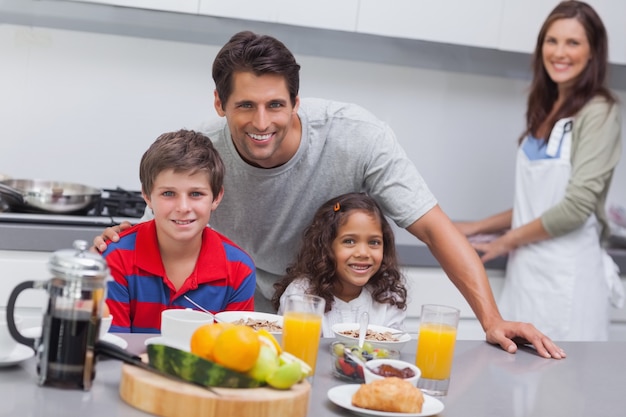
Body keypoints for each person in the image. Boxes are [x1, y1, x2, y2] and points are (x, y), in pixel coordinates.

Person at [95, 31, 565, 358]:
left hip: (315, 311)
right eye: (245, 106)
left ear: (297, 102)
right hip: (237, 310)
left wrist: (492, 320)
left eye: (276, 105)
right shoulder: (203, 151)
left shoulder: (357, 137)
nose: (262, 123)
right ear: (220, 105)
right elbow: (158, 228)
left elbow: (433, 227)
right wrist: (124, 234)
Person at [455, 1, 623, 341]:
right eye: (552, 40)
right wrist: (478, 226)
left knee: (562, 391)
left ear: (593, 52)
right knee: (515, 387)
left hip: (567, 280)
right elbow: (541, 205)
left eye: (573, 43)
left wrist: (504, 242)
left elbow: (574, 208)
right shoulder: (547, 108)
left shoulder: (599, 111)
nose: (560, 52)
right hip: (528, 275)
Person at [100, 129, 256, 333]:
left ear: (216, 197)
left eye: (196, 194)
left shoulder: (239, 270)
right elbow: (114, 348)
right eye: (168, 193)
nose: (183, 207)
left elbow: (234, 354)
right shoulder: (117, 258)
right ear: (147, 196)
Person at [272, 193, 407, 337]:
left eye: (374, 242)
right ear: (326, 247)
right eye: (349, 241)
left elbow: (390, 353)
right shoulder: (301, 295)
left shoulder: (389, 299)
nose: (363, 253)